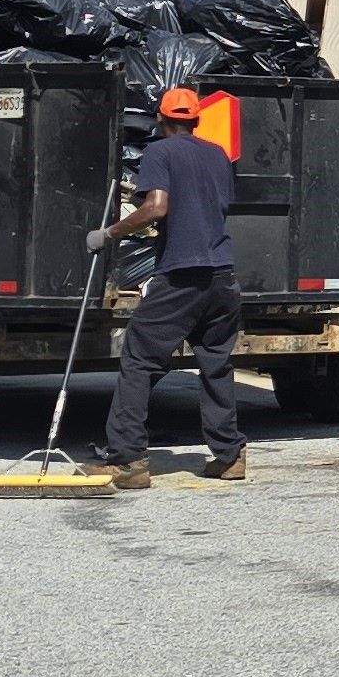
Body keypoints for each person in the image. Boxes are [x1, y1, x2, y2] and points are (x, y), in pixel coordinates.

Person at [88, 87, 246, 488]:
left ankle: (127, 461)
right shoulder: (218, 154)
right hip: (222, 276)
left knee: (139, 360)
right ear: (196, 119)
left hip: (181, 276)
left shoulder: (160, 152)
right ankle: (229, 456)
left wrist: (109, 233)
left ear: (160, 119)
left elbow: (157, 207)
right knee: (216, 363)